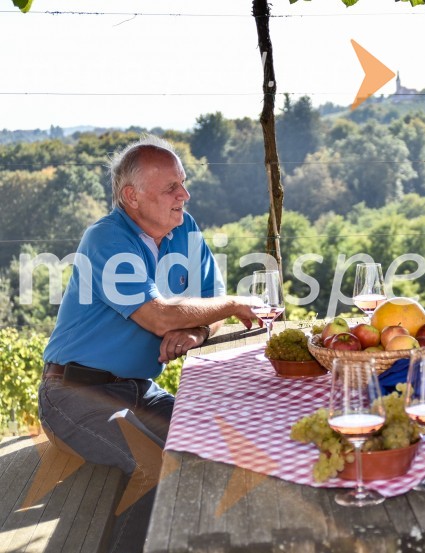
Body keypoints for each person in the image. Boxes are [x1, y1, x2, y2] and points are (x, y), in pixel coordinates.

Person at [38, 135, 262, 552]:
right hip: (73, 393)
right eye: (171, 188)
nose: (185, 194)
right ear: (132, 197)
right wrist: (229, 306)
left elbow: (207, 308)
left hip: (138, 389)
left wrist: (196, 330)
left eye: (183, 183)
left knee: (216, 445)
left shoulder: (185, 230)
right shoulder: (105, 240)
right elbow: (160, 315)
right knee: (155, 467)